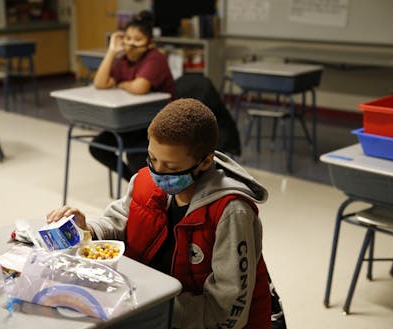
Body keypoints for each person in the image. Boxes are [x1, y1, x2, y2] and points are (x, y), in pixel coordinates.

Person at [47, 98, 275, 328]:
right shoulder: (145, 181)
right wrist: (88, 230)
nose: (158, 172)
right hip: (153, 307)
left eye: (173, 168)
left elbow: (225, 311)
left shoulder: (231, 212)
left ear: (205, 161)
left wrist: (152, 303)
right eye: (153, 158)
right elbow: (119, 222)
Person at [91, 10, 175, 181]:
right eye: (127, 39)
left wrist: (120, 84)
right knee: (97, 147)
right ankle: (133, 182)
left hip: (155, 126)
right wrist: (112, 52)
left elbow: (140, 87)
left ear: (150, 43)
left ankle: (141, 185)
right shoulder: (124, 61)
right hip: (131, 122)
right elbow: (100, 83)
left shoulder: (155, 58)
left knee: (138, 161)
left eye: (138, 40)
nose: (131, 44)